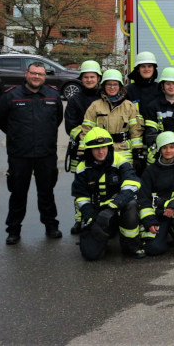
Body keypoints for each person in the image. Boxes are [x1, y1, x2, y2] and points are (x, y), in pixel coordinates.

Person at [0, 61, 64, 245]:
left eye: (40, 74)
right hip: (20, 154)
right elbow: (0, 120)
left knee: (47, 192)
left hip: (46, 154)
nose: (36, 77)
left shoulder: (53, 95)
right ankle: (14, 230)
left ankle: (51, 226)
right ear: (26, 74)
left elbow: (57, 119)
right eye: (33, 73)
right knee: (18, 193)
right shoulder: (11, 96)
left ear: (44, 76)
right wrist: (17, 136)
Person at [73, 128, 143, 260]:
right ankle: (106, 233)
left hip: (117, 208)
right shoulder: (82, 168)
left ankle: (130, 246)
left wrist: (113, 207)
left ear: (109, 147)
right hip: (96, 213)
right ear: (89, 150)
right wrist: (91, 219)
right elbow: (81, 197)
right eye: (96, 148)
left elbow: (132, 185)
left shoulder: (119, 160)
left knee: (132, 205)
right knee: (91, 255)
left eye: (104, 147)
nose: (101, 152)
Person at [138, 131, 174, 255]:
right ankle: (165, 232)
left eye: (171, 147)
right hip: (158, 213)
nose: (168, 150)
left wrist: (173, 207)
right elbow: (143, 198)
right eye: (164, 147)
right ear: (159, 150)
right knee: (154, 249)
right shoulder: (150, 171)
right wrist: (149, 221)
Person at [63, 60, 102, 235]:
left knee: (104, 186)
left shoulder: (105, 98)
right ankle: (79, 219)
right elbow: (71, 127)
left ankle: (101, 218)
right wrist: (90, 139)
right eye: (86, 77)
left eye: (92, 76)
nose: (89, 80)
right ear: (81, 79)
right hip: (81, 150)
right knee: (82, 187)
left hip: (103, 150)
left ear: (98, 78)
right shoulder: (74, 100)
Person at [80, 69, 144, 164]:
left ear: (120, 86)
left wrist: (137, 151)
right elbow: (86, 130)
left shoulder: (129, 106)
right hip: (101, 150)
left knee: (125, 177)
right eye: (109, 84)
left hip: (124, 151)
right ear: (104, 86)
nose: (112, 87)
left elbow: (136, 130)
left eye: (115, 84)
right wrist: (82, 150)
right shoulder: (95, 106)